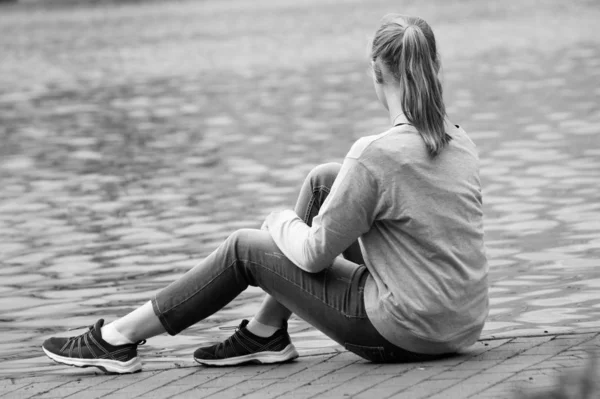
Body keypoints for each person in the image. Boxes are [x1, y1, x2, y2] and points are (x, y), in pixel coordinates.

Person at [41, 14, 488, 374]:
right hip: (461, 323)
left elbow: (313, 256)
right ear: (433, 69)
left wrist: (278, 221)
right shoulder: (459, 139)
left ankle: (117, 339)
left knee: (243, 248)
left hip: (404, 331)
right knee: (324, 181)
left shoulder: (375, 154)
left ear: (377, 75)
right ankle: (265, 332)